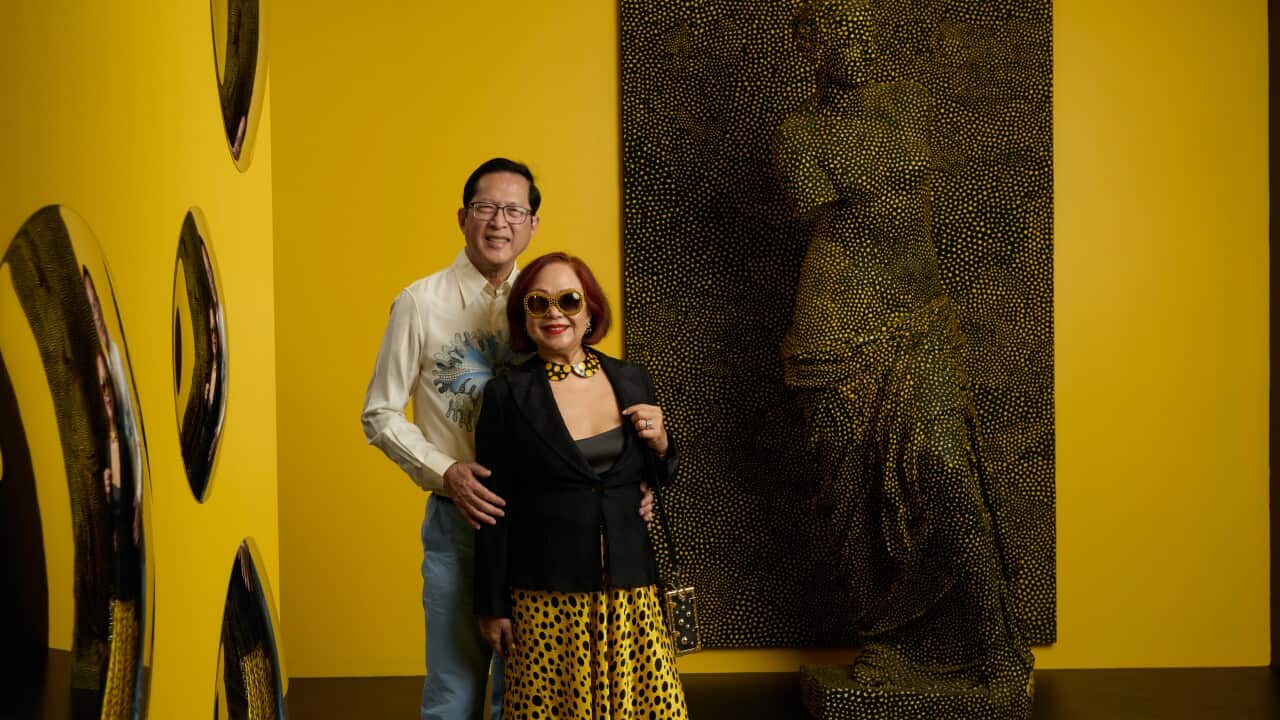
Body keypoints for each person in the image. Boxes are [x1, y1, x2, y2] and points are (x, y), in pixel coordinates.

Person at [772, 0, 1033, 716]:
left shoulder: (908, 103)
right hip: (836, 325)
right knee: (851, 488)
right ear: (808, 43)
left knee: (947, 465)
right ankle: (887, 638)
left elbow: (890, 199)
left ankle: (995, 652)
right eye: (837, 32)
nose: (855, 44)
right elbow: (833, 212)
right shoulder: (798, 132)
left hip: (921, 314)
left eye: (863, 29)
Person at [362, 160, 653, 720]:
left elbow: (595, 402)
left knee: (529, 696)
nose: (500, 222)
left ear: (532, 223)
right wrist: (445, 471)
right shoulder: (420, 303)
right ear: (463, 217)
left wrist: (633, 481)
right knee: (454, 691)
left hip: (544, 530)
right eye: (486, 208)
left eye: (514, 210)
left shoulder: (551, 298)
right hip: (463, 522)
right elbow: (379, 413)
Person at [473, 252, 689, 720]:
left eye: (568, 300)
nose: (555, 313)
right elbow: (493, 508)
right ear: (523, 316)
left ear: (589, 311)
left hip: (632, 594)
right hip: (547, 597)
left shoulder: (631, 379)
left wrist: (663, 445)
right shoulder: (507, 394)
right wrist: (491, 605)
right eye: (538, 303)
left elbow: (657, 478)